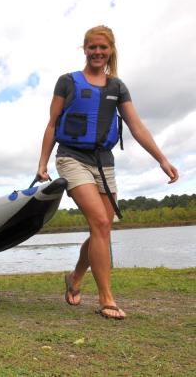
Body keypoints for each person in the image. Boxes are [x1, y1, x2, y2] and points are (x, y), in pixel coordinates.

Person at [36, 25, 179, 319]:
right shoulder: (67, 82)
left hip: (104, 161)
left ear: (111, 50)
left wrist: (162, 159)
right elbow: (52, 124)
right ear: (84, 49)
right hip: (72, 157)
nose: (97, 53)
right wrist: (42, 164)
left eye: (103, 48)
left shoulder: (118, 87)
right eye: (92, 47)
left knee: (103, 227)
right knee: (100, 222)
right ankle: (106, 299)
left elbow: (137, 127)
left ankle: (75, 277)